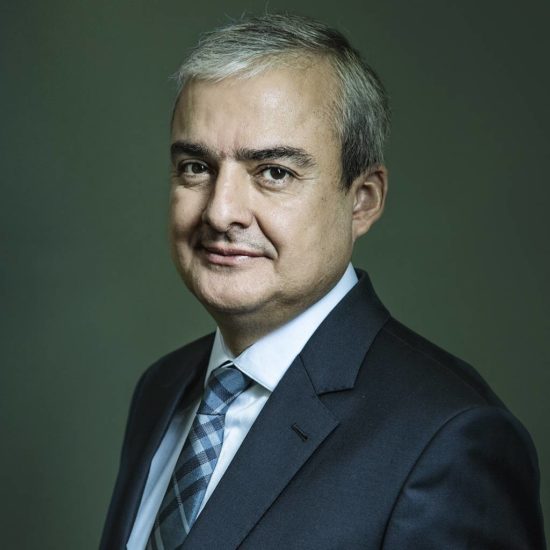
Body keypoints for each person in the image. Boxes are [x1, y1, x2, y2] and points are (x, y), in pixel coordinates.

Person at [100, 13, 545, 550]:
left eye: (274, 172)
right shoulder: (163, 389)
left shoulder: (448, 440)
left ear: (363, 201)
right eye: (196, 167)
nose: (220, 212)